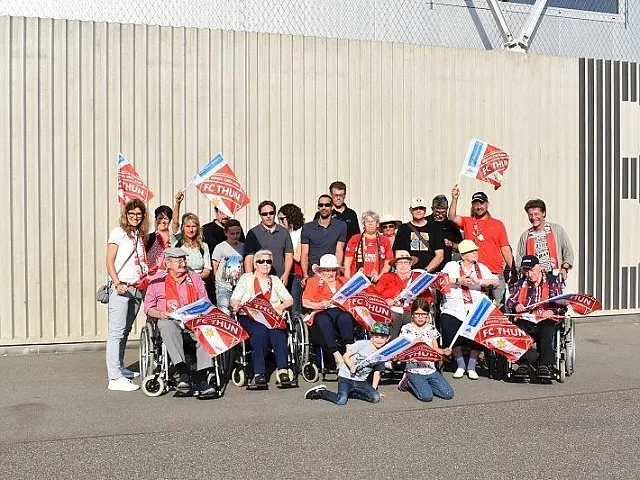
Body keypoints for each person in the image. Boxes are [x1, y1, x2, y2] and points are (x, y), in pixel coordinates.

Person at [144, 247, 218, 397]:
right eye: (179, 260)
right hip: (170, 320)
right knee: (165, 325)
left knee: (206, 329)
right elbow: (148, 308)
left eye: (184, 259)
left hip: (192, 321)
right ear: (168, 263)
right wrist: (160, 313)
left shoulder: (194, 277)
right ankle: (183, 373)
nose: (183, 263)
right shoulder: (157, 280)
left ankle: (203, 378)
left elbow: (205, 301)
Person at [230, 249, 294, 388]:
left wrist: (280, 307)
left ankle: (283, 370)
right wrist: (235, 305)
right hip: (249, 317)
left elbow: (289, 300)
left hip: (271, 316)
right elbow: (234, 299)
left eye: (268, 261)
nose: (265, 264)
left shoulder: (275, 280)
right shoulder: (246, 278)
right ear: (255, 264)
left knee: (278, 331)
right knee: (260, 331)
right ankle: (259, 372)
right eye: (261, 261)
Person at [104, 199, 150, 392]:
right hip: (122, 287)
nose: (135, 218)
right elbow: (109, 261)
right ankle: (114, 377)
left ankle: (120, 367)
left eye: (138, 215)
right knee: (116, 331)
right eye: (131, 214)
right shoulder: (118, 232)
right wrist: (117, 283)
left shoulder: (139, 234)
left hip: (137, 287)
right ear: (126, 215)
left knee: (125, 329)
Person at [439, 240, 499, 380]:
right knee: (449, 330)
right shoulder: (451, 266)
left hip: (476, 308)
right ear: (463, 255)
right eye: (473, 251)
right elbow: (440, 279)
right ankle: (460, 364)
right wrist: (459, 281)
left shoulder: (481, 268)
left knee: (478, 332)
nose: (476, 253)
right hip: (454, 308)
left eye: (476, 251)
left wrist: (479, 282)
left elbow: (495, 282)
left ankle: (471, 365)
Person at [449, 187, 513, 306]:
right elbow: (452, 217)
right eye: (476, 204)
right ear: (472, 206)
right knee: (477, 309)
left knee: (499, 309)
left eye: (482, 203)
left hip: (495, 273)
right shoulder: (468, 221)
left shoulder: (497, 224)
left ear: (487, 204)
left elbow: (505, 248)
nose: (479, 206)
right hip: (474, 274)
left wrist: (513, 270)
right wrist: (454, 198)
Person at [505, 255, 566, 381]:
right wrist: (516, 305)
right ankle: (524, 363)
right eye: (525, 271)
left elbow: (562, 303)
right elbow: (510, 300)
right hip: (528, 318)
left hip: (545, 317)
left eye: (531, 270)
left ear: (539, 268)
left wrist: (551, 310)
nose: (528, 274)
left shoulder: (552, 281)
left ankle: (545, 364)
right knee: (519, 328)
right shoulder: (521, 282)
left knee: (547, 328)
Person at [304, 322, 390, 405]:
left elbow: (377, 373)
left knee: (375, 398)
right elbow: (345, 356)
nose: (379, 340)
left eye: (382, 338)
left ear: (387, 339)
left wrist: (374, 390)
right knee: (341, 400)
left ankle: (351, 392)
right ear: (371, 336)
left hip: (361, 380)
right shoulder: (362, 344)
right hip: (346, 377)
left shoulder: (381, 354)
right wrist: (350, 366)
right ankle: (321, 392)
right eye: (376, 337)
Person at [302, 254, 355, 368]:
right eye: (327, 270)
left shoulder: (344, 281)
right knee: (323, 319)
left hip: (341, 311)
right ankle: (336, 355)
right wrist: (318, 304)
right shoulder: (313, 281)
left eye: (333, 270)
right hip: (321, 311)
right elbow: (305, 302)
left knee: (345, 317)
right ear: (321, 271)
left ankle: (349, 351)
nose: (331, 273)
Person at [397, 298, 454, 402]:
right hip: (414, 370)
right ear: (412, 314)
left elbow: (435, 349)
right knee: (426, 397)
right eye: (417, 314)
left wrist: (444, 351)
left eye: (423, 314)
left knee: (448, 394)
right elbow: (401, 352)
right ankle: (407, 381)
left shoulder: (431, 328)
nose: (420, 317)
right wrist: (413, 343)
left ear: (428, 315)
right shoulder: (406, 328)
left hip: (430, 369)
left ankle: (425, 385)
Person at [375, 250, 430, 339]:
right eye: (400, 262)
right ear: (395, 265)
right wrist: (385, 302)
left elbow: (428, 298)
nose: (403, 265)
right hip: (391, 310)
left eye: (406, 262)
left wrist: (417, 305)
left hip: (412, 311)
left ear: (410, 264)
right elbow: (376, 295)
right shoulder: (387, 277)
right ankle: (392, 349)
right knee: (392, 318)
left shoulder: (418, 277)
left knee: (415, 319)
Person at [516, 199, 574, 281]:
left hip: (554, 275)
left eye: (536, 214)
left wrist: (564, 269)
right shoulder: (525, 236)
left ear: (543, 213)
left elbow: (568, 253)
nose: (533, 217)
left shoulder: (557, 230)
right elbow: (519, 260)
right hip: (533, 278)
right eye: (530, 215)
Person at [300, 195, 347, 283]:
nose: (324, 207)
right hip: (313, 272)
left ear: (332, 207)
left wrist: (337, 272)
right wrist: (305, 275)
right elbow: (304, 254)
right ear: (318, 207)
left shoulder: (341, 226)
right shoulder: (307, 227)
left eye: (327, 205)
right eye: (321, 205)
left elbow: (339, 251)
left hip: (331, 272)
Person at [244, 200, 293, 283]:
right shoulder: (253, 233)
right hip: (259, 280)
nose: (268, 216)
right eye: (264, 214)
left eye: (271, 213)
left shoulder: (284, 232)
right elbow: (249, 258)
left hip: (280, 279)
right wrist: (250, 279)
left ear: (275, 213)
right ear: (260, 215)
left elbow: (288, 255)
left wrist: (286, 274)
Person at [392, 196, 445, 272]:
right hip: (408, 273)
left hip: (429, 273)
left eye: (421, 208)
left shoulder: (435, 228)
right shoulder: (403, 229)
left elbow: (440, 255)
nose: (418, 211)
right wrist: (406, 271)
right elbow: (399, 254)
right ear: (410, 210)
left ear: (425, 210)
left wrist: (425, 271)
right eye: (415, 208)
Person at [343, 210, 393, 282]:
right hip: (357, 280)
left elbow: (388, 261)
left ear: (377, 224)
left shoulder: (384, 240)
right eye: (367, 221)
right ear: (363, 224)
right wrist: (347, 281)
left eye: (373, 221)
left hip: (377, 279)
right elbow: (347, 263)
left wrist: (380, 276)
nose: (370, 224)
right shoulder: (355, 239)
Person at [278, 203, 305, 320]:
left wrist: (287, 251)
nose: (280, 223)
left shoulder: (301, 232)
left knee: (294, 305)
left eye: (282, 219)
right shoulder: (280, 233)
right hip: (281, 272)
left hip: (296, 273)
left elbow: (299, 256)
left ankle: (297, 333)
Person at [211, 219, 244, 315]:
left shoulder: (243, 247)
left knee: (238, 312)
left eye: (237, 233)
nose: (235, 236)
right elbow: (214, 267)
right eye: (232, 233)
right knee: (225, 312)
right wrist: (216, 281)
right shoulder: (220, 247)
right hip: (223, 286)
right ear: (226, 233)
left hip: (238, 286)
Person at [171, 212, 211, 281]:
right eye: (188, 226)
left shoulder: (203, 246)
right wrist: (178, 203)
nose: (191, 230)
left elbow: (207, 271)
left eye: (193, 226)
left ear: (198, 228)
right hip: (181, 282)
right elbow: (175, 223)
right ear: (182, 227)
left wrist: (194, 279)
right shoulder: (177, 244)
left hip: (199, 283)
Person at [427, 195, 463, 269]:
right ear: (432, 209)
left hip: (445, 268)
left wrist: (451, 244)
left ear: (447, 209)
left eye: (443, 212)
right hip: (427, 266)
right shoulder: (425, 222)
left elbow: (461, 248)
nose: (440, 215)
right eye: (437, 212)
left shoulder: (451, 225)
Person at [145, 204, 173, 273]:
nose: (163, 221)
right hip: (151, 277)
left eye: (166, 218)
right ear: (156, 219)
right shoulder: (149, 238)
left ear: (170, 220)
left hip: (169, 277)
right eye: (160, 218)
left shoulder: (174, 239)